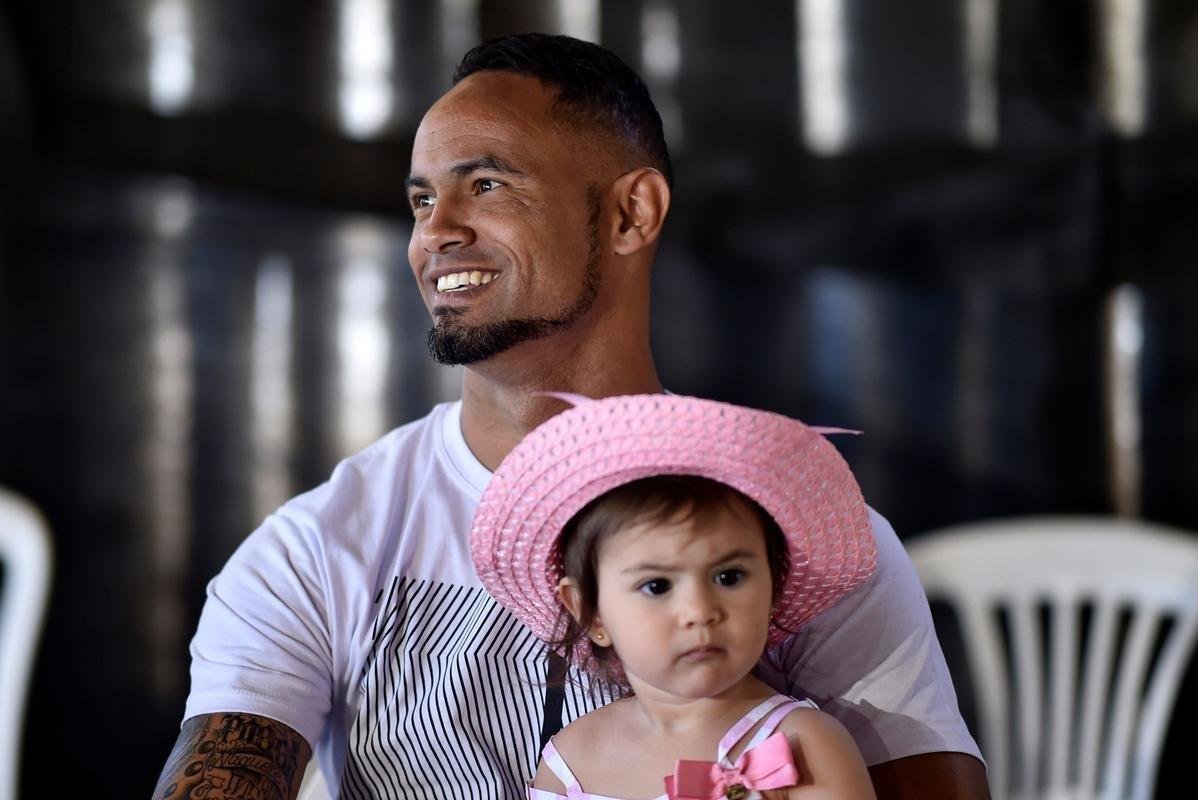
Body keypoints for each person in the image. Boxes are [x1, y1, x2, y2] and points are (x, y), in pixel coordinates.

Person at [153, 33, 989, 800]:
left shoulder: (802, 538)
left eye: (486, 184)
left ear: (632, 213)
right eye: (419, 201)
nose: (434, 233)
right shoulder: (313, 550)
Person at [470, 392, 880, 799]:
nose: (700, 611)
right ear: (591, 613)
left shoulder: (797, 747)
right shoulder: (569, 758)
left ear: (773, 583)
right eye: (657, 586)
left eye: (729, 576)